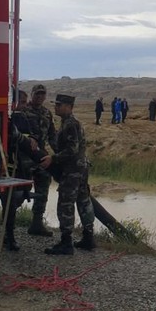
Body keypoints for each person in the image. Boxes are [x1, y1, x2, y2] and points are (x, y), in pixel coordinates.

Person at [0, 90, 46, 253]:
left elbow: (31, 141)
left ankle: (9, 237)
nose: (23, 106)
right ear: (12, 103)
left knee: (10, 206)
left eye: (25, 103)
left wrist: (36, 147)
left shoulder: (22, 119)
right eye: (21, 102)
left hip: (10, 170)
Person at [39, 94, 96, 255]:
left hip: (73, 171)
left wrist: (53, 158)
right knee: (83, 200)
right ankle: (88, 238)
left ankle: (66, 242)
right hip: (80, 169)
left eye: (59, 105)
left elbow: (72, 150)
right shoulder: (67, 123)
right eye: (56, 104)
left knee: (66, 204)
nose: (56, 107)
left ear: (69, 106)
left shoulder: (71, 124)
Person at [25, 84, 57, 237]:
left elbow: (52, 136)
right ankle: (8, 228)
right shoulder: (23, 110)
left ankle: (37, 223)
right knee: (16, 192)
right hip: (23, 157)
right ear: (32, 95)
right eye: (37, 94)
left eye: (42, 94)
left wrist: (60, 154)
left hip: (41, 156)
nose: (39, 97)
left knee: (44, 183)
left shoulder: (47, 113)